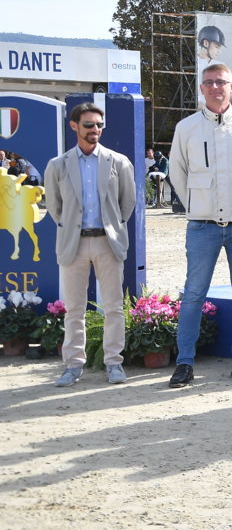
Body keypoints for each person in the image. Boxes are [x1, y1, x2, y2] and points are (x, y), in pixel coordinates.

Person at [168, 64, 232, 387]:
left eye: (221, 82)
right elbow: (177, 172)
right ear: (201, 88)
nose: (215, 87)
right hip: (202, 225)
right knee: (194, 293)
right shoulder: (186, 128)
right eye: (209, 82)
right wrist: (197, 206)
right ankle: (184, 362)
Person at [43, 103, 136, 387]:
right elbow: (55, 207)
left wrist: (111, 226)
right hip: (74, 243)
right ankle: (73, 365)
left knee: (114, 308)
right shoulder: (57, 165)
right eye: (88, 125)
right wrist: (72, 227)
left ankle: (114, 363)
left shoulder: (118, 162)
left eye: (99, 125)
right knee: (74, 309)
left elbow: (127, 202)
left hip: (108, 243)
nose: (95, 130)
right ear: (74, 126)